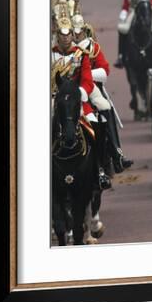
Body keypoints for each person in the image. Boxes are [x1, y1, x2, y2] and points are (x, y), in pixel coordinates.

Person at [51, 17, 113, 190]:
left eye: (68, 34)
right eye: (61, 34)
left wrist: (79, 94)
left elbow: (87, 80)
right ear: (57, 35)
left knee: (96, 125)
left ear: (72, 35)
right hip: (55, 99)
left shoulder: (81, 55)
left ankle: (100, 168)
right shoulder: (49, 53)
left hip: (77, 100)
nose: (65, 38)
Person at [72, 14, 133, 174]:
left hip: (91, 86)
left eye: (79, 32)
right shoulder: (63, 49)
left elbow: (104, 70)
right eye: (73, 32)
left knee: (106, 107)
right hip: (69, 88)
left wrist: (87, 75)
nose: (76, 35)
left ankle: (116, 154)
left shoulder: (92, 47)